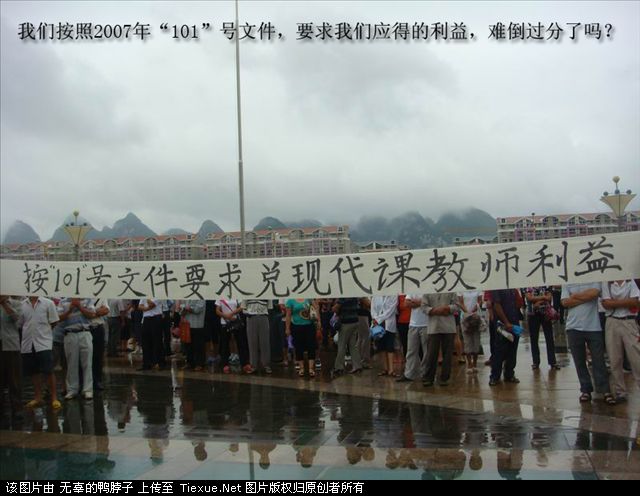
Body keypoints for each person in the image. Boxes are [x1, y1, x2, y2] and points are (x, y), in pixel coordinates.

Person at [561, 282, 615, 405]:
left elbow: (594, 293)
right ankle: (585, 389)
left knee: (598, 360)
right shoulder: (567, 281)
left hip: (593, 326)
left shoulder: (593, 278)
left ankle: (605, 390)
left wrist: (575, 296)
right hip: (573, 326)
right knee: (579, 361)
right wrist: (586, 297)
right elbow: (565, 302)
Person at [18, 296, 61, 410]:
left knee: (48, 370)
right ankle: (38, 397)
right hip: (28, 342)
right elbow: (20, 323)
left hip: (44, 342)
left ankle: (54, 398)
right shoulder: (22, 304)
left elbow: (54, 321)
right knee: (33, 371)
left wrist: (44, 331)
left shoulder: (48, 303)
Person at [601, 279, 640, 403]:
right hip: (612, 320)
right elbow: (605, 303)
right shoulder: (607, 282)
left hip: (629, 321)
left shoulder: (630, 281)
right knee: (615, 359)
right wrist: (626, 302)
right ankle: (620, 391)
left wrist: (613, 303)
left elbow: (635, 301)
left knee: (636, 358)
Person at [58, 298, 94, 400]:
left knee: (87, 363)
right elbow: (58, 318)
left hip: (84, 332)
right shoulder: (63, 301)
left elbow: (92, 314)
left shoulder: (87, 299)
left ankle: (88, 390)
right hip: (70, 333)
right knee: (71, 363)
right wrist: (69, 310)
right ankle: (72, 390)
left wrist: (80, 307)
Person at [421, 293, 459, 387]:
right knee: (431, 353)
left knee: (447, 354)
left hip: (448, 326)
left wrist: (447, 308)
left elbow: (456, 306)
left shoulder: (451, 290)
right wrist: (435, 310)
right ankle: (428, 377)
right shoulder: (427, 291)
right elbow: (423, 307)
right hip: (433, 326)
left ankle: (444, 378)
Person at [489, 289, 522, 387]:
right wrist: (506, 322)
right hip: (502, 324)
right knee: (499, 350)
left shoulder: (513, 287)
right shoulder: (497, 287)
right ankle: (495, 376)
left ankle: (509, 374)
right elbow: (496, 305)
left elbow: (518, 304)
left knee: (512, 349)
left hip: (514, 321)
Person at [0, 295, 23, 425]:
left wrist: (4, 304)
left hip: (11, 345)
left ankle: (17, 408)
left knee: (14, 379)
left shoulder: (16, 303)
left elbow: (18, 321)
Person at [396, 294, 429, 383]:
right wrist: (421, 303)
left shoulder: (428, 290)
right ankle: (409, 374)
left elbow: (430, 303)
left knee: (426, 351)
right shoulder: (412, 290)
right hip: (413, 324)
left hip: (426, 323)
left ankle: (425, 373)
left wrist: (414, 302)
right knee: (411, 350)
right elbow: (406, 303)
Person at [525, 287, 559, 371]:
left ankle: (552, 362)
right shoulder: (528, 286)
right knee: (534, 338)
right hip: (533, 314)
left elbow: (549, 297)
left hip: (545, 314)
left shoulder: (546, 285)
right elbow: (529, 298)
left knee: (549, 338)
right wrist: (543, 297)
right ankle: (535, 362)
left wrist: (538, 301)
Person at [285, 298, 320, 377]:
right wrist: (287, 328)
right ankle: (301, 368)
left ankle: (311, 368)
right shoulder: (290, 301)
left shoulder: (309, 298)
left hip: (309, 326)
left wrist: (318, 321)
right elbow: (288, 315)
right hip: (296, 326)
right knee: (298, 347)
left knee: (311, 346)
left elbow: (316, 310)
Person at [216, 298, 252, 374]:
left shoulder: (236, 295)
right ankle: (225, 364)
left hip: (236, 321)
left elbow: (242, 307)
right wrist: (226, 316)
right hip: (224, 322)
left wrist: (231, 314)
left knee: (241, 342)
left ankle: (244, 363)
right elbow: (217, 310)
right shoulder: (220, 297)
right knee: (224, 344)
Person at [332, 298, 363, 377]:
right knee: (353, 345)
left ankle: (339, 367)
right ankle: (357, 366)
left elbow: (335, 308)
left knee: (341, 345)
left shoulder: (343, 297)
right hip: (355, 322)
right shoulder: (354, 296)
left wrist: (336, 310)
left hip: (345, 323)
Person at [370, 295, 398, 377]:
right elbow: (373, 309)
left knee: (390, 346)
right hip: (377, 325)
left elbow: (391, 310)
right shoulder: (376, 295)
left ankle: (391, 370)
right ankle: (385, 368)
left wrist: (379, 319)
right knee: (381, 347)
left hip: (389, 323)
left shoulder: (393, 295)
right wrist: (375, 319)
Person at [243, 299, 272, 374]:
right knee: (252, 342)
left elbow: (269, 307)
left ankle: (266, 365)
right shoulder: (246, 294)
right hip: (251, 317)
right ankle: (253, 365)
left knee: (265, 342)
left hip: (263, 316)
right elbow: (243, 307)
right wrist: (248, 312)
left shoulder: (267, 293)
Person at [458, 290, 483, 374]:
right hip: (464, 317)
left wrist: (473, 310)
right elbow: (460, 302)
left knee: (476, 341)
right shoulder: (460, 289)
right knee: (467, 341)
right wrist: (467, 312)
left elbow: (480, 300)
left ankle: (475, 364)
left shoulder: (478, 288)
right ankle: (469, 364)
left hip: (476, 317)